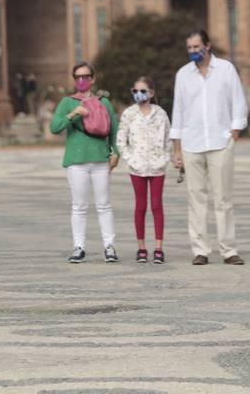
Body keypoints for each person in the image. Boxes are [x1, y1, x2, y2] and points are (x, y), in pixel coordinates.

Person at [170, 30, 249, 265]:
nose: (194, 51)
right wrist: (177, 148)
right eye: (190, 48)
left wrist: (234, 131)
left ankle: (228, 249)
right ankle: (200, 250)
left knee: (223, 198)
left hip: (220, 142)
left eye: (197, 47)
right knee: (196, 199)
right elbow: (178, 112)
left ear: (208, 45)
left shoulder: (226, 69)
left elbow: (238, 102)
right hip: (191, 144)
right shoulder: (183, 75)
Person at [50, 61, 119, 263]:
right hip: (77, 161)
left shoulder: (103, 102)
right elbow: (54, 128)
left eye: (85, 77)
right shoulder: (67, 103)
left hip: (100, 159)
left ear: (93, 79)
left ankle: (109, 246)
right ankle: (78, 246)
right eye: (77, 77)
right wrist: (73, 114)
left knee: (104, 205)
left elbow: (114, 129)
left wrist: (116, 152)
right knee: (79, 205)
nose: (82, 81)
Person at [118, 76, 171, 263]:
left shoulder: (161, 114)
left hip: (157, 167)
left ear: (151, 93)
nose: (138, 94)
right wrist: (129, 158)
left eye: (142, 91)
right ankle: (141, 247)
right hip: (137, 167)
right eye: (135, 91)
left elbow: (168, 139)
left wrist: (164, 157)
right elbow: (121, 140)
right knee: (140, 206)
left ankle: (158, 247)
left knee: (156, 205)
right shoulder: (129, 114)